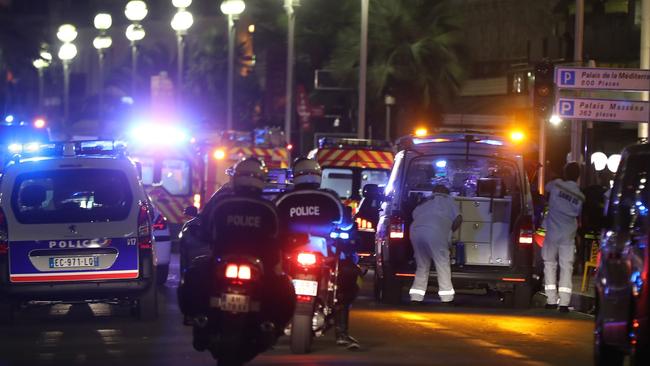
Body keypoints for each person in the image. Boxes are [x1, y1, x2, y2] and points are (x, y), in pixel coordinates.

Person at [178, 158, 295, 347]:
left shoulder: (222, 204)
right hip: (257, 265)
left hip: (221, 259)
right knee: (284, 288)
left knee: (193, 275)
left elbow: (205, 229)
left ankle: (197, 317)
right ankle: (271, 324)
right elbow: (279, 236)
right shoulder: (268, 208)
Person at [275, 157, 361, 350]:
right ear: (318, 176)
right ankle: (342, 332)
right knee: (346, 280)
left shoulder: (284, 199)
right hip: (320, 253)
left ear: (295, 176)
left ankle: (272, 326)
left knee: (343, 278)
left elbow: (272, 224)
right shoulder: (329, 197)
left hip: (292, 255)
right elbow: (345, 223)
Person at [409, 184, 462, 305]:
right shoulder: (449, 200)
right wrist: (449, 230)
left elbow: (414, 215)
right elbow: (459, 218)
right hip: (435, 232)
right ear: (447, 192)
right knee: (442, 263)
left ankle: (416, 296)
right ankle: (446, 298)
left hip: (415, 231)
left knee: (422, 265)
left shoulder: (426, 201)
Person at [542, 162, 584, 313]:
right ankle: (564, 303)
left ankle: (551, 300)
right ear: (578, 176)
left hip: (552, 233)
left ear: (565, 173)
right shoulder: (580, 196)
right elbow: (578, 214)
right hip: (568, 235)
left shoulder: (557, 185)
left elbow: (546, 187)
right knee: (567, 267)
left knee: (549, 264)